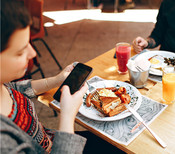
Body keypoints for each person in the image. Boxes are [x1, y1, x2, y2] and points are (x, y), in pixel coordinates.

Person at [0, 1, 125, 153]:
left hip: (50, 138)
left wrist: (57, 80)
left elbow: (17, 89)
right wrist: (67, 116)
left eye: (28, 43)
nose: (33, 53)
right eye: (20, 52)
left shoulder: (3, 85)